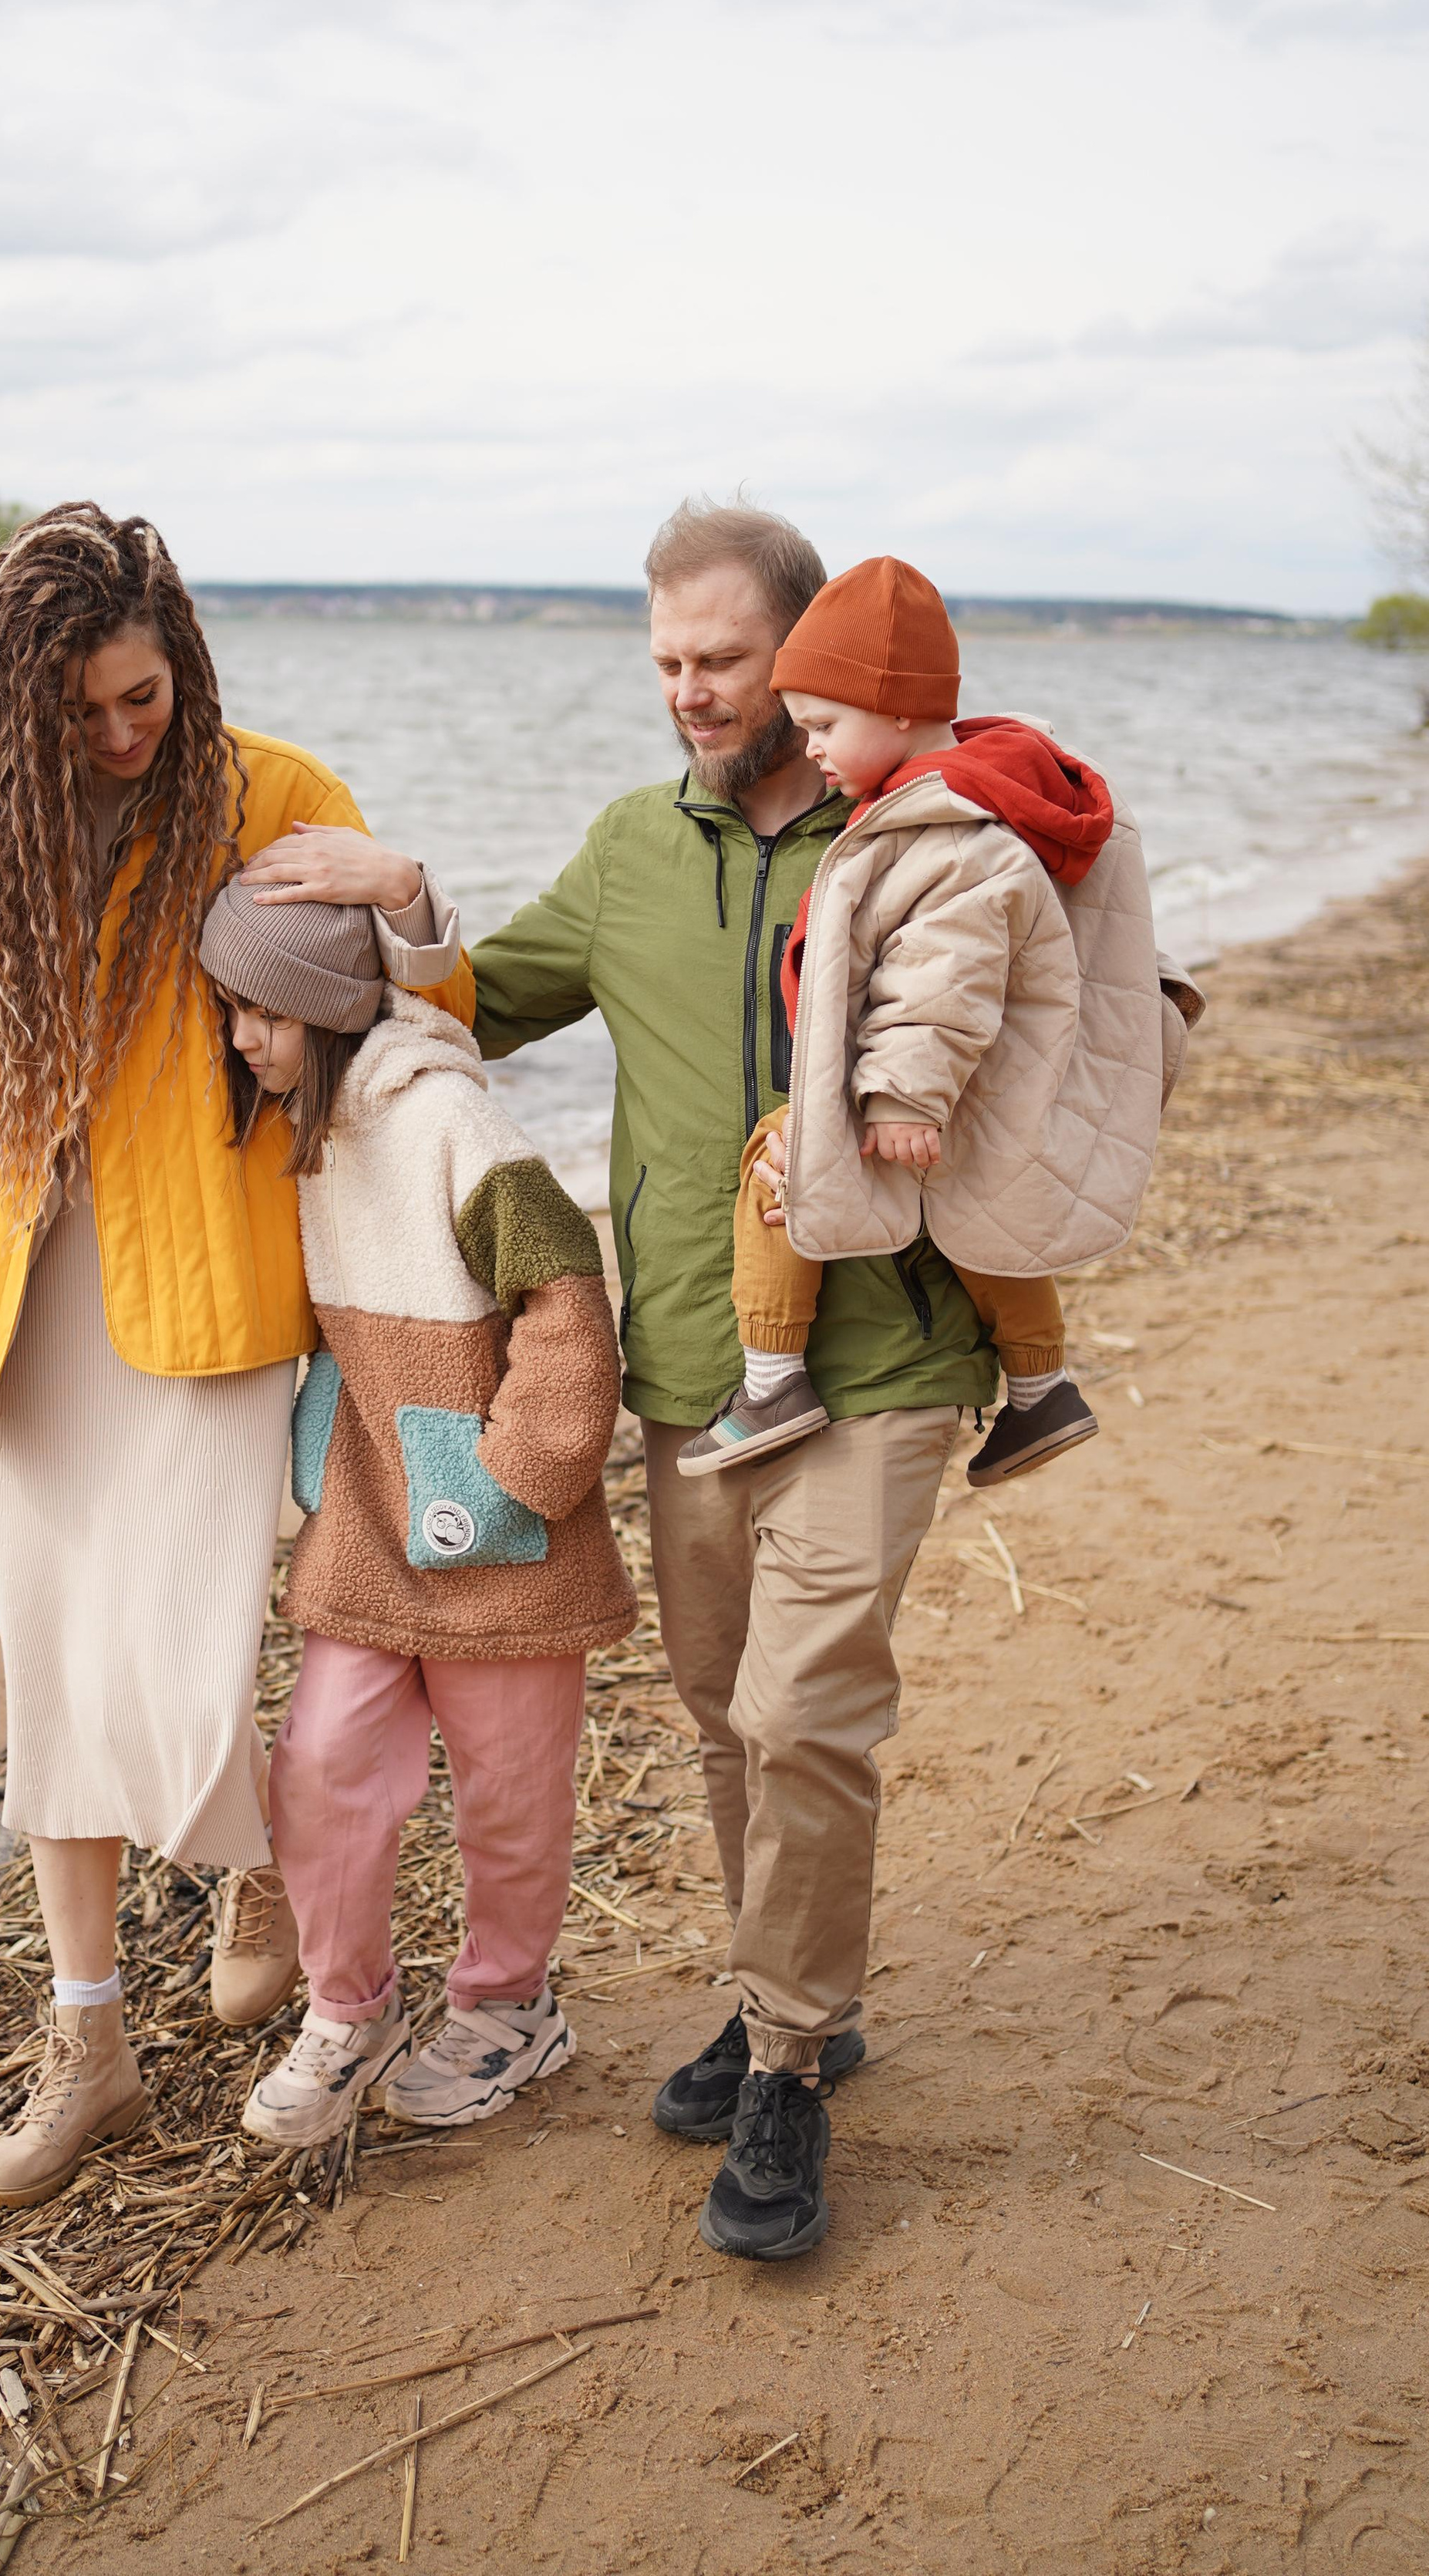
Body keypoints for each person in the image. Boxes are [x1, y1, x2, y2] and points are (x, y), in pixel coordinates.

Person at [466, 495, 1127, 2264]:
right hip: (691, 1360)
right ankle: (800, 1994)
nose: (688, 690)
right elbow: (472, 997)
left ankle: (779, 2065)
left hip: (887, 1349)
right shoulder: (625, 849)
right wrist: (347, 927)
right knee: (716, 1706)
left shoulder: (919, 831)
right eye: (665, 662)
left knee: (806, 1705)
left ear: (804, 654)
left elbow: (1043, 984)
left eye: (723, 659)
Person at [0, 502, 467, 2210]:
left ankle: (257, 1861)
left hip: (213, 1290)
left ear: (180, 665)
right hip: (23, 1313)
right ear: (14, 710)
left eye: (143, 696)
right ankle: (92, 2051)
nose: (123, 734)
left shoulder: (275, 800)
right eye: (84, 713)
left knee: (198, 1650)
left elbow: (418, 1036)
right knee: (55, 1673)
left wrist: (409, 902)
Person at [192, 879, 635, 2148]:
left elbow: (563, 1293)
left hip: (499, 1532)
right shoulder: (305, 1125)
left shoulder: (449, 1118)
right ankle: (349, 2010)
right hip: (373, 1521)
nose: (237, 1039)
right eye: (227, 1011)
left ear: (322, 1009)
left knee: (509, 1789)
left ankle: (510, 2008)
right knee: (323, 1762)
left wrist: (515, 1475)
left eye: (254, 1014)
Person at [678, 553, 1136, 1491]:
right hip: (976, 1085)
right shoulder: (958, 797)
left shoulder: (951, 827)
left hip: (934, 1081)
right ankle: (1041, 1387)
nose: (809, 747)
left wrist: (896, 1096)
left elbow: (944, 977)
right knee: (983, 1217)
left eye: (823, 724)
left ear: (893, 710)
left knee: (777, 1164)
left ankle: (771, 1381)